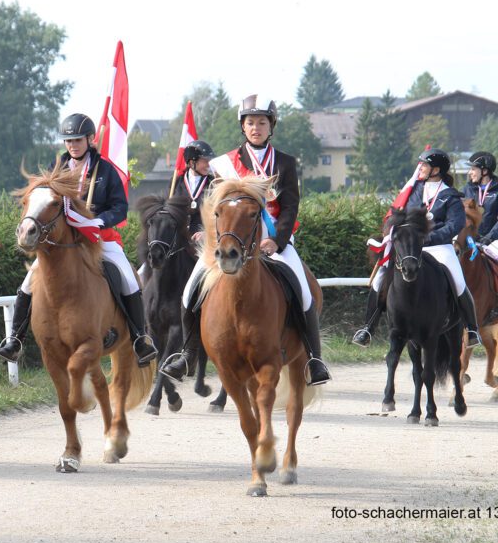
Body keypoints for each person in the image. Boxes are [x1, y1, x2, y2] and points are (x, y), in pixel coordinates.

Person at [160, 94, 331, 386]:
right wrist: (211, 237)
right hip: (233, 239)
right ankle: (188, 354)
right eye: (250, 122)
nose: (256, 128)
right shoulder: (223, 165)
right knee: (190, 290)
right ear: (243, 126)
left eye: (262, 122)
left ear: (271, 126)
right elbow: (216, 207)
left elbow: (290, 207)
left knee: (304, 291)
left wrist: (277, 240)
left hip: (273, 240)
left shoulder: (285, 163)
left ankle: (314, 359)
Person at [0, 113, 158, 366]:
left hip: (101, 238)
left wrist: (98, 221)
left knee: (128, 279)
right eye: (68, 140)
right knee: (28, 282)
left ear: (90, 139)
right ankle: (15, 339)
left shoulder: (106, 170)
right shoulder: (56, 168)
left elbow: (119, 208)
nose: (72, 145)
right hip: (64, 241)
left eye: (77, 140)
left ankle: (140, 339)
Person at [352, 148, 481, 348]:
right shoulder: (412, 191)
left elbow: (454, 225)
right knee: (380, 278)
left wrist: (428, 238)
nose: (420, 168)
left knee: (457, 279)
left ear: (436, 170)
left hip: (438, 247)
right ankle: (368, 327)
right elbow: (401, 217)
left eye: (425, 165)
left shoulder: (450, 196)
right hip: (410, 248)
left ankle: (471, 328)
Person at [172, 140, 215, 242]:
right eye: (205, 161)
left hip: (204, 243)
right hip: (179, 242)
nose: (209, 165)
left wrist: (208, 233)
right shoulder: (176, 182)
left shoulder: (214, 183)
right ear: (192, 163)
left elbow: (221, 216)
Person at [463, 151, 498, 241]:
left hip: (493, 241)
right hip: (469, 239)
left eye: (473, 169)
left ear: (484, 171)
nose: (469, 172)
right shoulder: (467, 189)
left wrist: (489, 238)